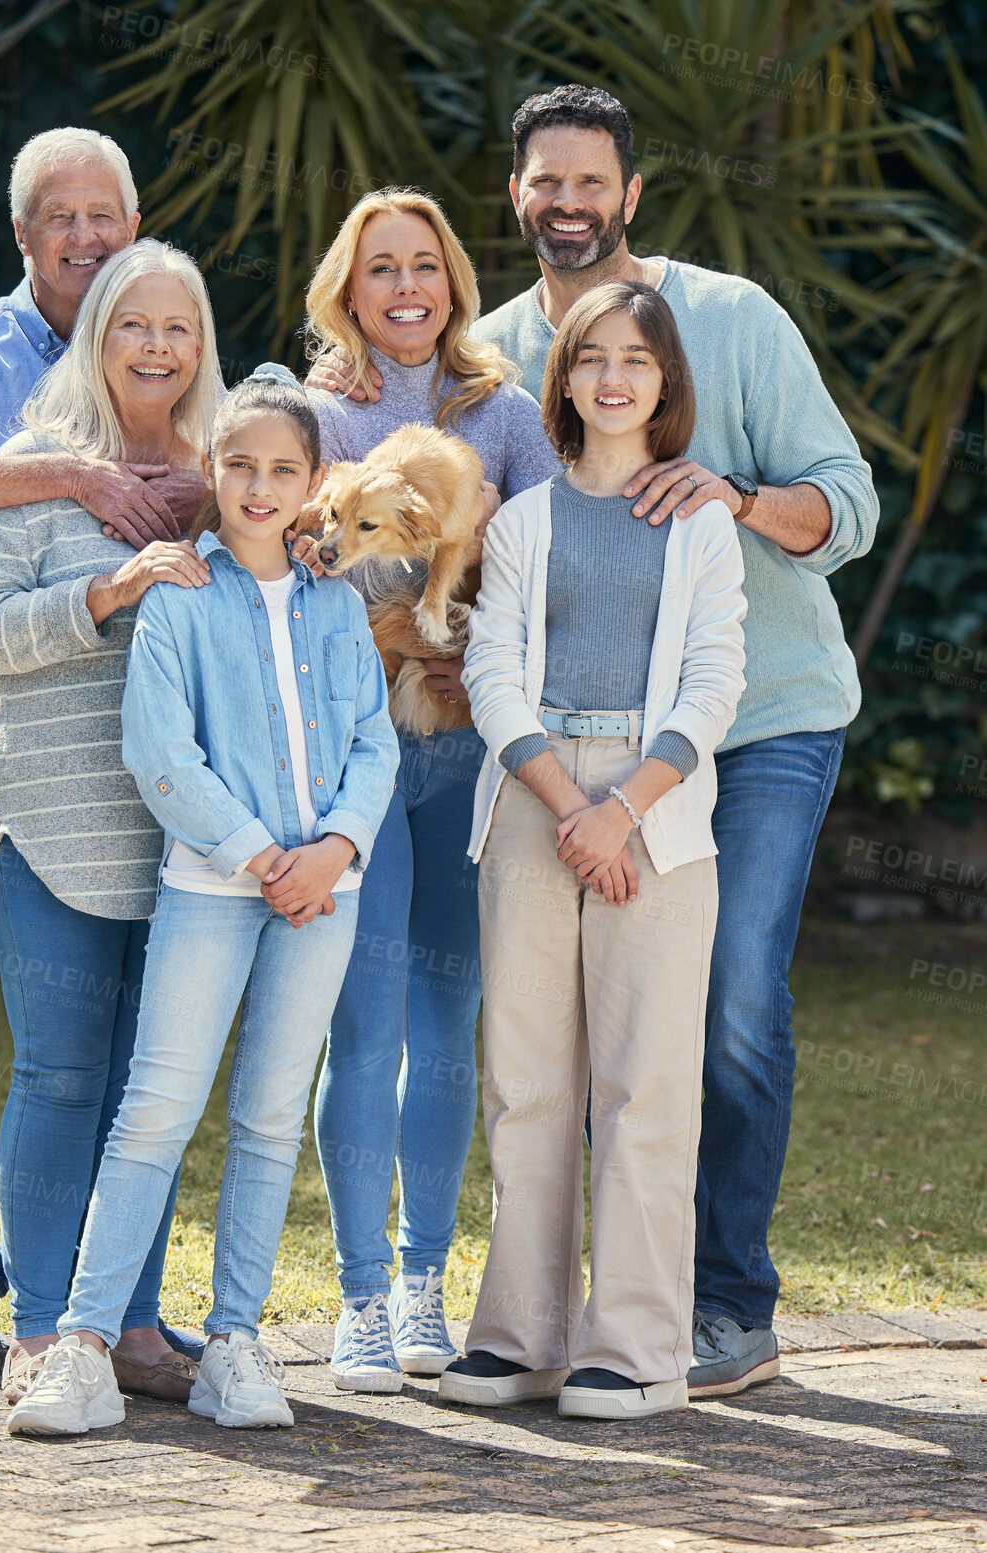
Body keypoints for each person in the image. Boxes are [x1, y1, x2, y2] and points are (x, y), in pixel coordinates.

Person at [312, 87, 879, 1397]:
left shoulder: (730, 318)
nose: (564, 203)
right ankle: (544, 1325)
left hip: (758, 721)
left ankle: (718, 1305)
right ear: (514, 198)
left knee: (726, 1003)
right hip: (556, 758)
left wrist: (733, 496)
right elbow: (434, 509)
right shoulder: (497, 356)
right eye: (540, 183)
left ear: (628, 195)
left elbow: (842, 504)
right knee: (541, 1047)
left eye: (589, 183)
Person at [4, 365, 400, 1438]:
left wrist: (335, 848)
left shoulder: (336, 602)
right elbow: (159, 751)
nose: (261, 488)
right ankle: (82, 1347)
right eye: (241, 466)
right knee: (155, 1111)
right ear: (213, 472)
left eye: (283, 470)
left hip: (329, 894)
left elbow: (373, 737)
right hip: (210, 890)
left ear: (315, 480)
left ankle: (235, 1343)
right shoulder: (179, 593)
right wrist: (261, 853)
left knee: (272, 1117)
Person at [0, 128, 209, 1373]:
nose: (84, 234)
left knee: (130, 1049)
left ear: (134, 225)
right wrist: (73, 474)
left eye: (104, 213)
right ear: (24, 234)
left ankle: (112, 1307)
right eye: (58, 216)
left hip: (127, 736)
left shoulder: (182, 383)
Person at [440, 280, 746, 1418]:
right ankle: (520, 1337)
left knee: (647, 1083)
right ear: (562, 377)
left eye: (638, 359)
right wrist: (572, 802)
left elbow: (716, 680)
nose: (614, 376)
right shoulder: (522, 520)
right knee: (525, 1079)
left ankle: (634, 1348)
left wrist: (624, 810)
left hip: (657, 809)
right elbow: (491, 672)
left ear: (666, 382)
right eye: (591, 357)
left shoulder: (701, 522)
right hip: (533, 793)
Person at [298, 189, 563, 1394]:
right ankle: (356, 1295)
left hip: (462, 753)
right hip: (351, 760)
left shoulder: (503, 413)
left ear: (454, 282)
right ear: (347, 291)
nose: (406, 287)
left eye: (425, 266)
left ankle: (421, 1281)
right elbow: (297, 584)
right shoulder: (311, 411)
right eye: (379, 269)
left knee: (445, 1027)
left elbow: (543, 575)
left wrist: (442, 621)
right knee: (362, 1021)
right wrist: (407, 628)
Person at [0, 240, 221, 1403]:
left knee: (149, 1088)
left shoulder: (228, 478)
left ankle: (130, 1324)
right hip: (49, 815)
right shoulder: (32, 465)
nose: (157, 347)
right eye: (134, 325)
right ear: (96, 334)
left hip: (182, 830)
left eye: (178, 328)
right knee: (63, 1074)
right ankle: (42, 1325)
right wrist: (111, 592)